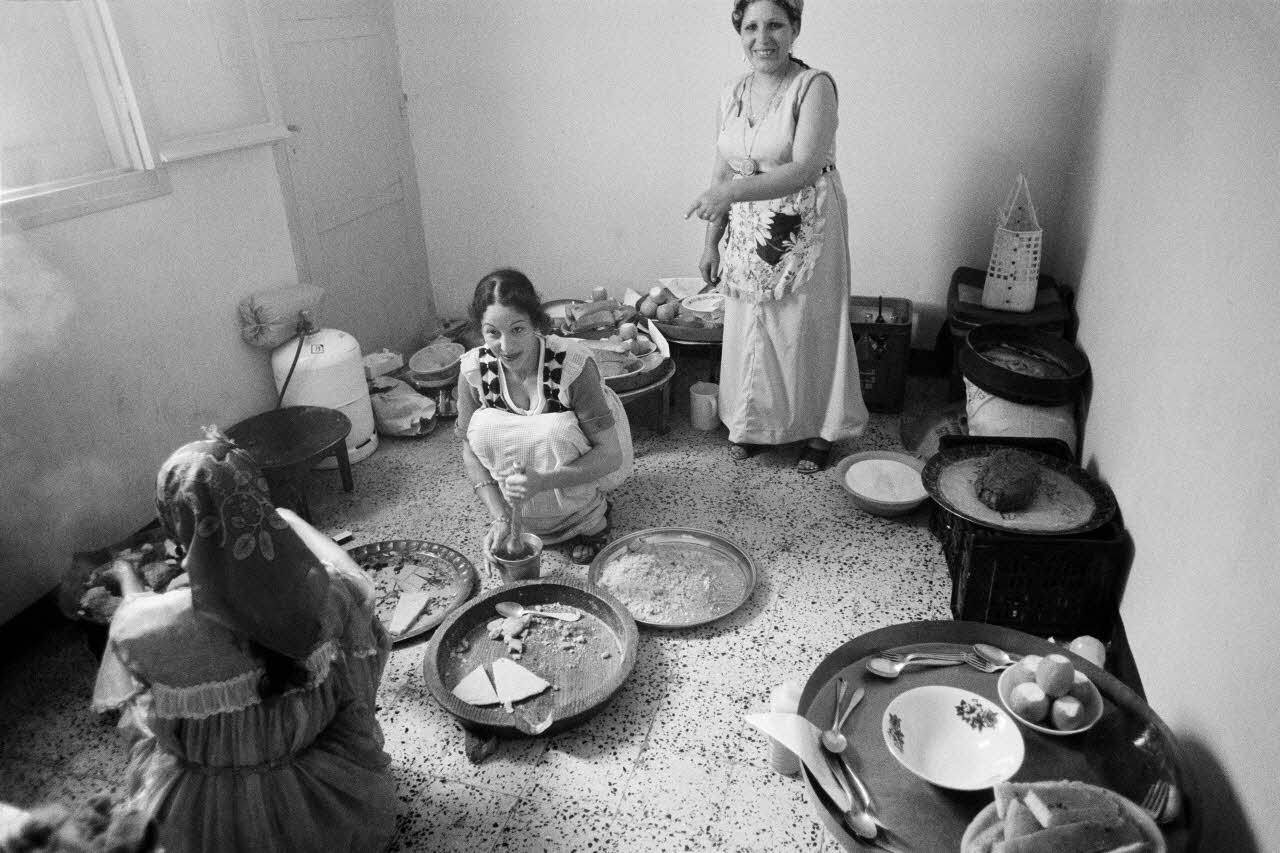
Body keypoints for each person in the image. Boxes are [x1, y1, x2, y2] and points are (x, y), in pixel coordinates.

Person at [91, 430, 397, 853]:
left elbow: (137, 626)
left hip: (207, 805)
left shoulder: (143, 626)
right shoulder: (328, 595)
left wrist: (127, 576)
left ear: (176, 523)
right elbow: (364, 631)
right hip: (316, 779)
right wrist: (287, 522)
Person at [685, 0, 867, 473]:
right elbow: (721, 167)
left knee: (804, 328)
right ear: (738, 32)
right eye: (751, 26)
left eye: (774, 25)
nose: (762, 37)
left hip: (806, 221)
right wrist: (710, 240)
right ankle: (754, 425)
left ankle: (821, 432)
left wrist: (729, 194)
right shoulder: (732, 93)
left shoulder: (814, 87)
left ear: (795, 28)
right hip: (748, 226)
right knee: (750, 327)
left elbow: (804, 168)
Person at [456, 269, 633, 565]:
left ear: (535, 323)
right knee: (483, 428)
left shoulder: (571, 365)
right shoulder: (474, 371)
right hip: (521, 490)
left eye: (517, 329)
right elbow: (469, 452)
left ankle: (588, 519)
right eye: (492, 333)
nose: (506, 347)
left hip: (579, 461)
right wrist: (500, 517)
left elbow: (610, 455)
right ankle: (520, 519)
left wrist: (543, 482)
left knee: (554, 430)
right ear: (480, 330)